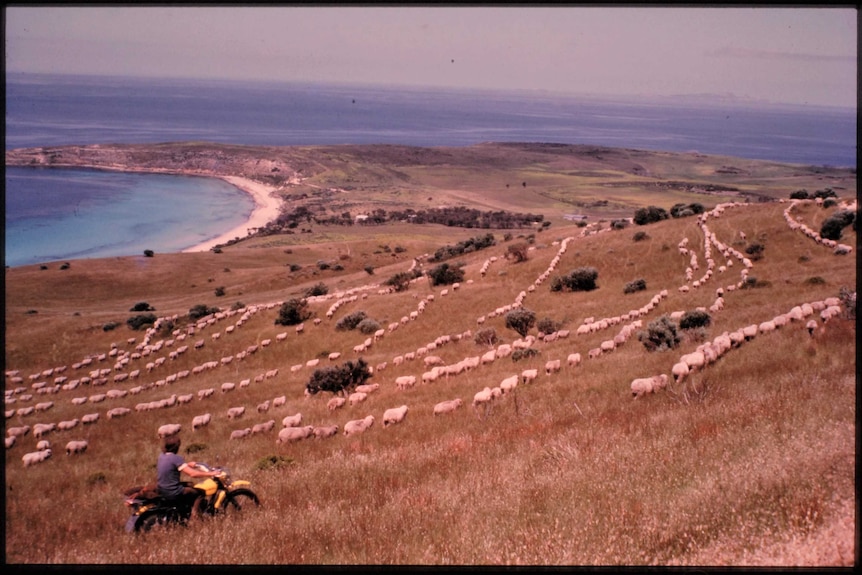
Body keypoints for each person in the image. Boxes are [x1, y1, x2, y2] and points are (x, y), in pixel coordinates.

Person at [157, 435, 219, 517]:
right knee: (200, 493)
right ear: (176, 447)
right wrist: (211, 473)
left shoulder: (162, 456)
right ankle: (195, 516)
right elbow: (192, 474)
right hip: (173, 491)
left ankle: (186, 509)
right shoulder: (176, 458)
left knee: (191, 484)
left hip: (162, 488)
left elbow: (174, 466)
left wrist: (189, 464)